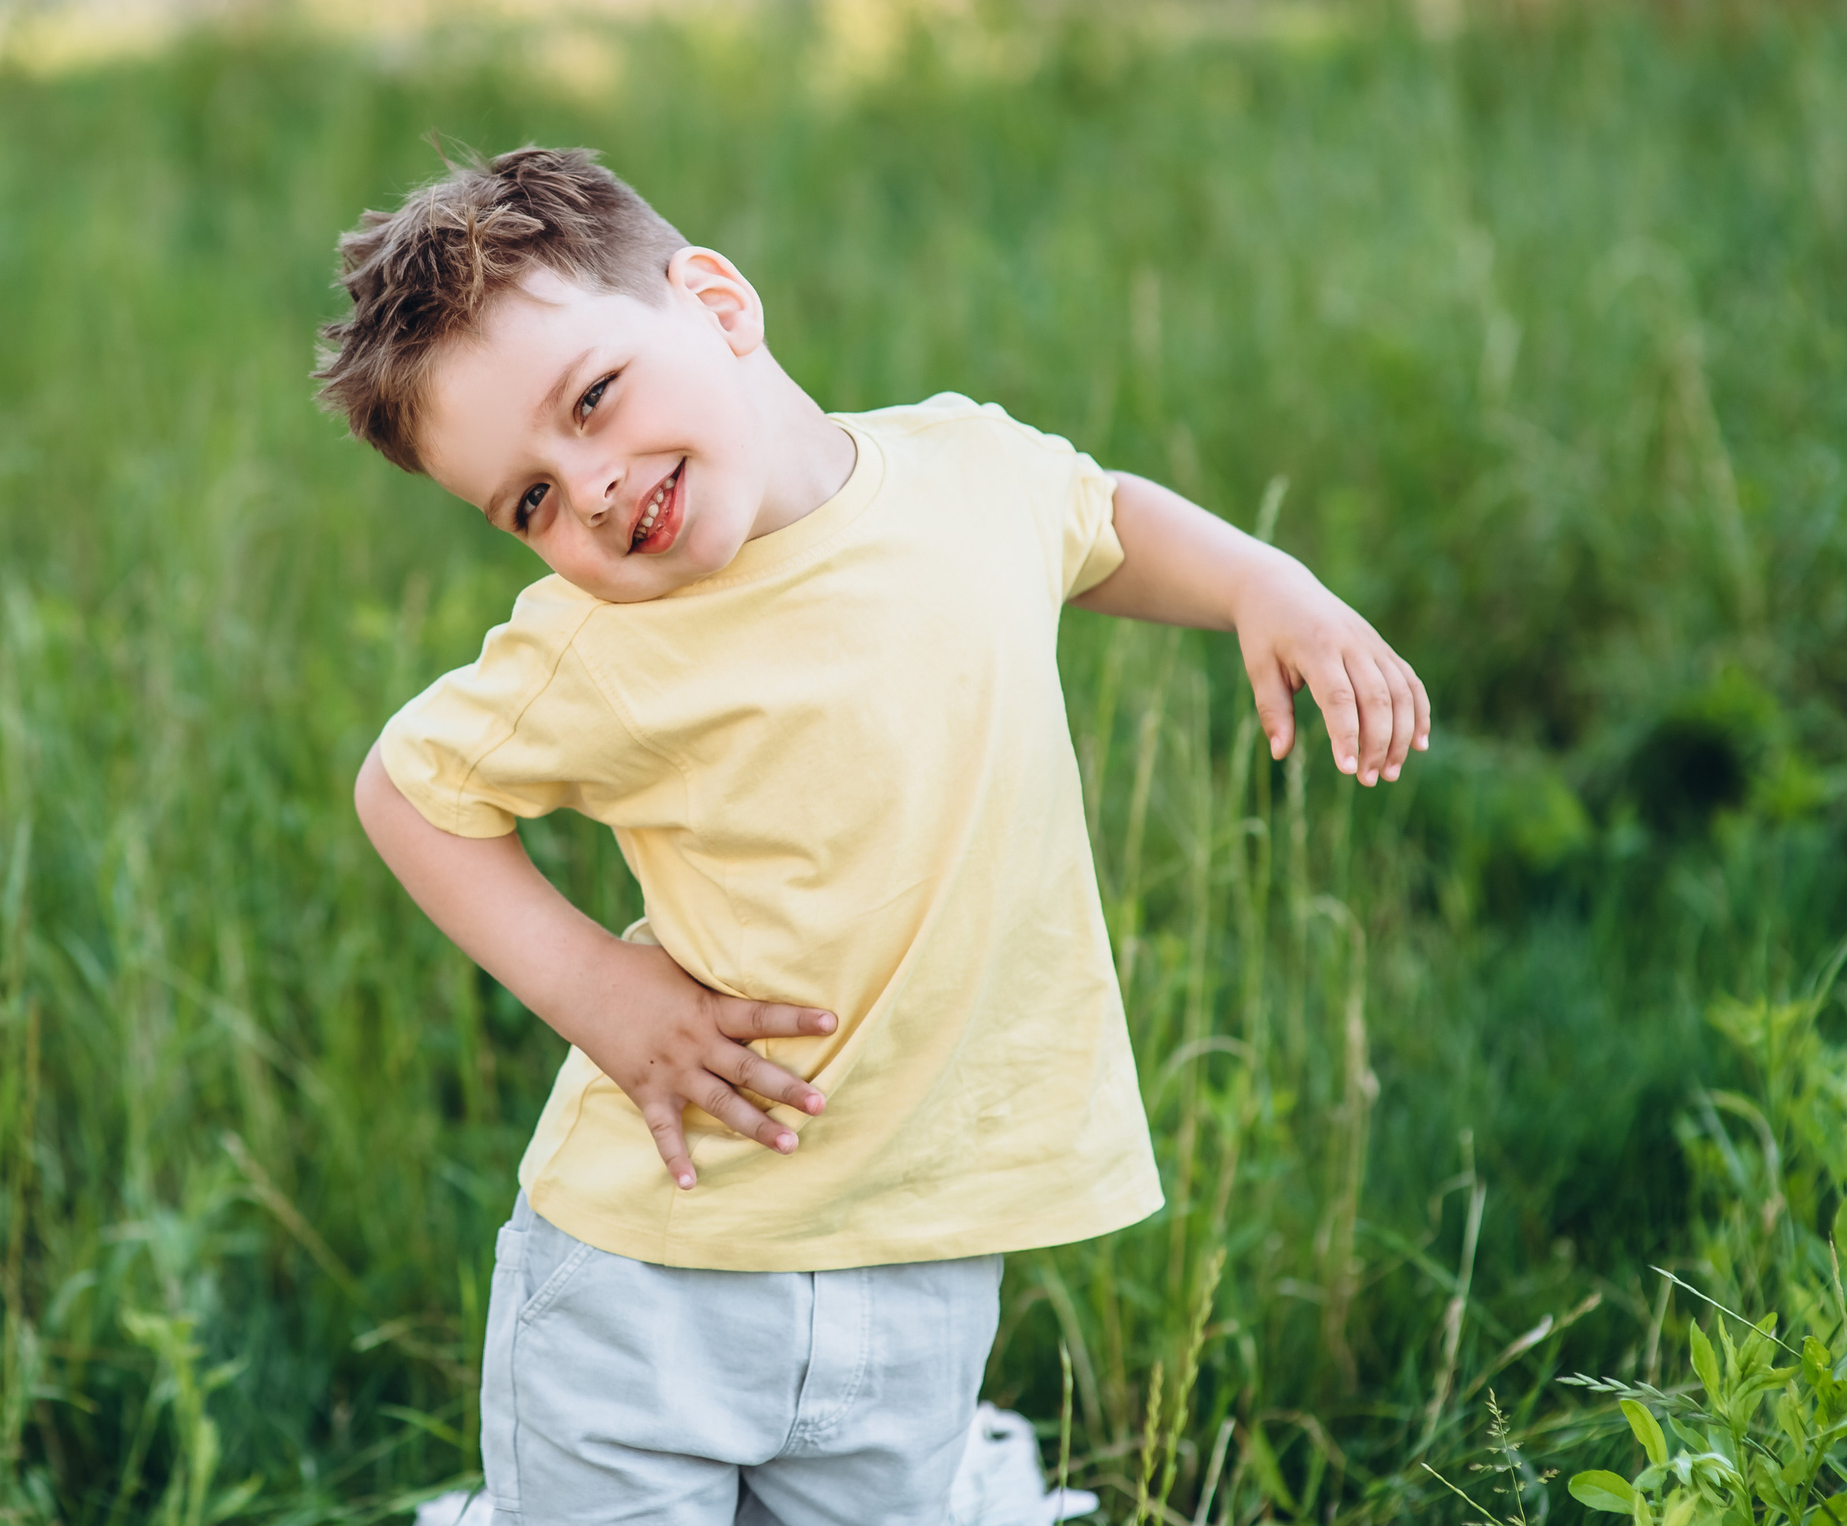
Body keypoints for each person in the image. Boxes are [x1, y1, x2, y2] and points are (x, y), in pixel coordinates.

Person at [315, 147, 1426, 1526]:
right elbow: (409, 787)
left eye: (591, 400)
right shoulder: (603, 643)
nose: (589, 489)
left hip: (923, 1242)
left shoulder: (964, 475)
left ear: (717, 303)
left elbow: (1096, 516)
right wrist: (600, 990)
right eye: (529, 500)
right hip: (653, 1274)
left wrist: (1265, 582)